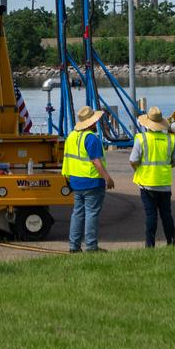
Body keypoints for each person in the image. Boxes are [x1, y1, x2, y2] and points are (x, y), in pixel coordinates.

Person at [62, 106, 112, 253]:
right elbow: (96, 161)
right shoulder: (91, 138)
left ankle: (74, 246)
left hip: (75, 181)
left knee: (77, 213)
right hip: (92, 181)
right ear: (90, 123)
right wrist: (107, 178)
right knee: (91, 213)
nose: (96, 123)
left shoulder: (71, 137)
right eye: (95, 121)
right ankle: (91, 246)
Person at [129, 107, 175, 248]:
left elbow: (133, 160)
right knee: (166, 215)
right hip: (164, 183)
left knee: (151, 215)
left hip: (146, 183)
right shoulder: (170, 139)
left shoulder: (141, 138)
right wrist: (165, 168)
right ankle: (171, 242)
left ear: (147, 124)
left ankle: (150, 245)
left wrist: (138, 169)